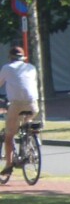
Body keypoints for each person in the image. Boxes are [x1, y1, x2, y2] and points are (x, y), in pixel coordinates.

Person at [0, 45, 39, 178]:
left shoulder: (7, 68)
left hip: (16, 105)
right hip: (33, 104)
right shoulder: (31, 67)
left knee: (9, 136)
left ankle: (9, 165)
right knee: (27, 122)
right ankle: (28, 144)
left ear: (10, 58)